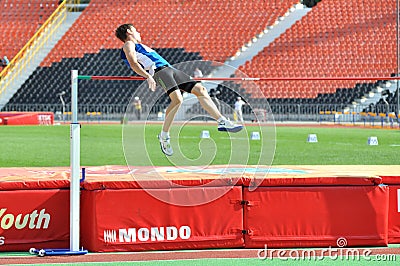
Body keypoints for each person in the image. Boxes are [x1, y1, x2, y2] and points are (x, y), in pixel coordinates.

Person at [115, 24, 242, 156]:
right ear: (129, 32)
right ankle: (164, 136)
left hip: (170, 69)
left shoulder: (140, 46)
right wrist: (147, 76)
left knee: (200, 89)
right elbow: (133, 62)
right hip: (159, 71)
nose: (139, 32)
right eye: (136, 30)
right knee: (177, 100)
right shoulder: (128, 44)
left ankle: (222, 122)